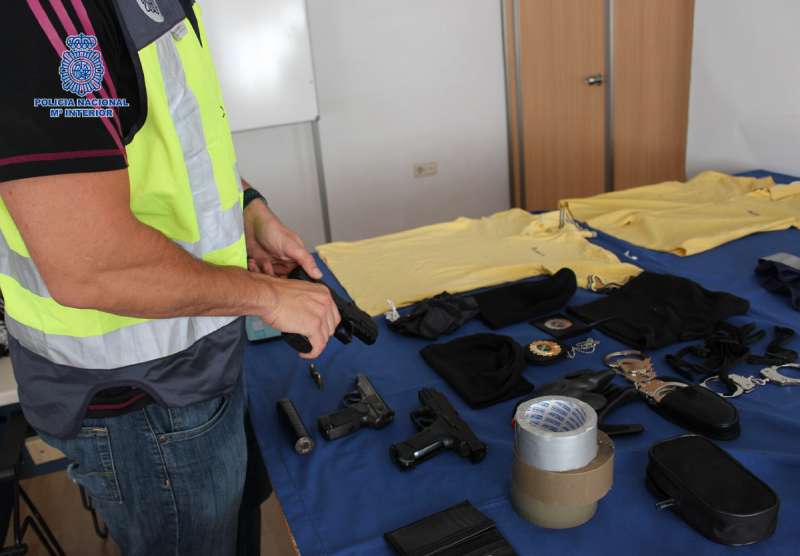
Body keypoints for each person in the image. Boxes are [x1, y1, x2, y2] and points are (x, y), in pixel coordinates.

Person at [0, 1, 340, 554]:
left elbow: (171, 142)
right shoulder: (39, 20)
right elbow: (90, 265)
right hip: (138, 398)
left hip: (197, 357)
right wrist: (267, 297)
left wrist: (247, 210)